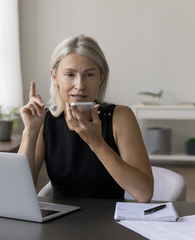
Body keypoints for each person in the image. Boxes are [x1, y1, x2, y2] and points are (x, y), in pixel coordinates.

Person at [18, 35, 153, 202]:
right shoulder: (44, 120)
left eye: (89, 75)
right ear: (54, 77)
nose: (80, 85)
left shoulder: (120, 117)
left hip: (110, 223)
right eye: (69, 75)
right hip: (60, 224)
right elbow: (17, 193)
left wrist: (97, 144)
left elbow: (144, 193)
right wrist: (30, 131)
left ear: (101, 77)